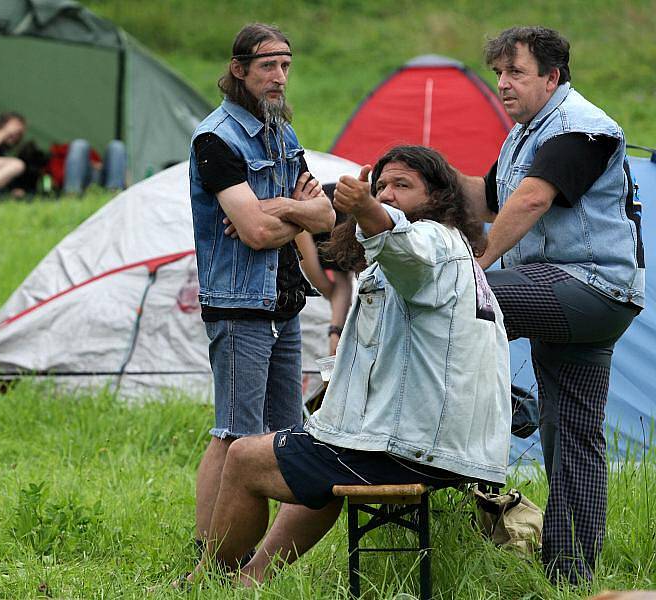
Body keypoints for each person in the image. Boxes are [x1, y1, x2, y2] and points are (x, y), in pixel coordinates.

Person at [183, 145, 511, 586]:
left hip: (414, 447)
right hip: (446, 444)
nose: (388, 194)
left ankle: (207, 580)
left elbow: (400, 243)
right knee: (311, 453)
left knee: (244, 457)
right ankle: (251, 580)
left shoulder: (431, 240)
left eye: (402, 186)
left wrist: (367, 207)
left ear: (437, 197)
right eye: (382, 186)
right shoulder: (455, 253)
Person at [458, 26, 644, 584]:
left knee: (461, 300)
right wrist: (409, 178)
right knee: (572, 438)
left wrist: (473, 264)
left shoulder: (581, 127)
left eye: (515, 73)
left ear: (552, 77)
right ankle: (569, 578)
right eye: (497, 73)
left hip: (588, 288)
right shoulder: (525, 133)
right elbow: (489, 199)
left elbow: (533, 199)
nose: (502, 84)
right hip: (574, 293)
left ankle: (501, 404)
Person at [188, 23, 335, 553]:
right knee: (233, 434)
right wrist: (295, 213)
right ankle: (211, 558)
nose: (280, 77)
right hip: (238, 304)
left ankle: (259, 555)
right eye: (269, 65)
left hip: (284, 301)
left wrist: (280, 210)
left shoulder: (282, 132)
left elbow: (324, 215)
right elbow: (252, 233)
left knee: (287, 435)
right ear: (239, 69)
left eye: (286, 65)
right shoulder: (215, 140)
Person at [295, 185, 354, 356]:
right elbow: (329, 286)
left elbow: (341, 283)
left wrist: (335, 332)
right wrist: (335, 332)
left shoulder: (351, 236)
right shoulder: (307, 226)